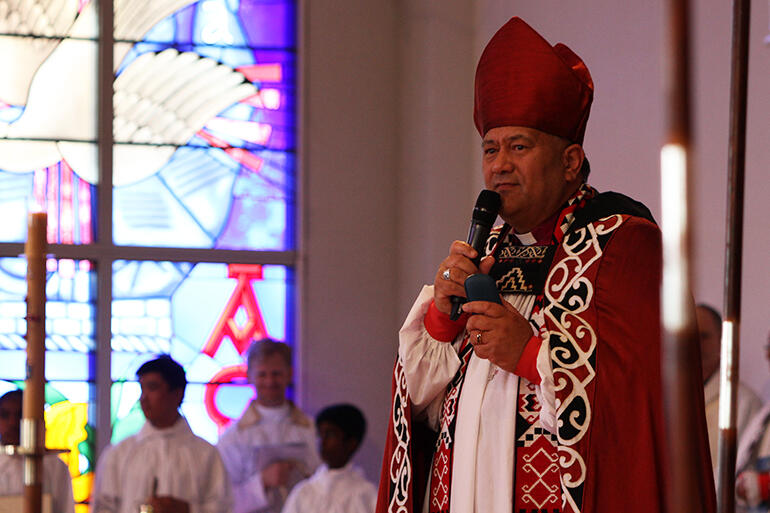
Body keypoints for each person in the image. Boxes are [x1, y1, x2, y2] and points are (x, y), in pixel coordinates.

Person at [375, 16, 716, 513]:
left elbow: (643, 416)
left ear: (570, 161)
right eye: (491, 148)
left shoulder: (625, 246)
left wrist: (532, 355)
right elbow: (421, 414)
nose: (499, 165)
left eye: (519, 146)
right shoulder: (484, 253)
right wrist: (439, 322)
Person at [91, 355, 232, 513]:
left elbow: (223, 507)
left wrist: (188, 510)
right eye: (141, 389)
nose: (143, 398)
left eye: (152, 388)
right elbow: (103, 507)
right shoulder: (119, 453)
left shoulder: (206, 454)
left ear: (177, 394)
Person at [217, 339, 320, 513]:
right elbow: (223, 501)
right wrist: (262, 481)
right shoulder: (233, 438)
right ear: (250, 376)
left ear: (289, 374)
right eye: (262, 374)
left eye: (276, 373)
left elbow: (325, 483)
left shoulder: (312, 430)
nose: (270, 381)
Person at [697, 303, 762, 476]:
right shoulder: (663, 398)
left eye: (703, 336)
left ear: (721, 341)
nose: (694, 344)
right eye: (688, 336)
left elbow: (742, 472)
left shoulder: (744, 402)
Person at [281, 404, 377, 513]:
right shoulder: (304, 492)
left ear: (351, 443)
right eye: (319, 435)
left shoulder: (366, 495)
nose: (322, 442)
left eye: (330, 435)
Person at [0, 389, 75, 513]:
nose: (12, 423)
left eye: (20, 415)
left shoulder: (55, 467)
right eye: (5, 415)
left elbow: (66, 508)